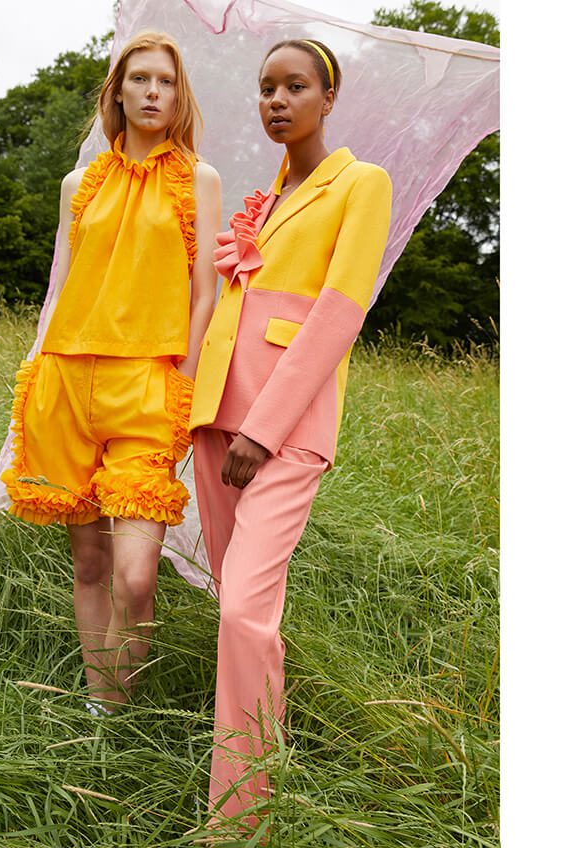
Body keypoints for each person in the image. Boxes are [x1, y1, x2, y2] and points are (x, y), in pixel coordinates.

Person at [187, 38, 391, 829]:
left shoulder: (360, 183)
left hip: (283, 427)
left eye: (295, 86)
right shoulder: (262, 198)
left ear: (327, 98)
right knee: (234, 609)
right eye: (267, 88)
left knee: (244, 610)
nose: (277, 100)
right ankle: (252, 766)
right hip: (215, 420)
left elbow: (339, 313)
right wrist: (197, 409)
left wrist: (264, 430)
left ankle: (242, 815)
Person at [0, 31, 221, 714]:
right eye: (142, 79)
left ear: (179, 96)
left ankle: (118, 699)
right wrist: (36, 375)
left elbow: (205, 291)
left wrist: (181, 379)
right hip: (67, 382)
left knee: (135, 575)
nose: (154, 92)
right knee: (90, 566)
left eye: (167, 82)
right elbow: (61, 286)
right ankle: (107, 716)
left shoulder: (198, 179)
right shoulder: (80, 184)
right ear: (118, 91)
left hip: (147, 388)